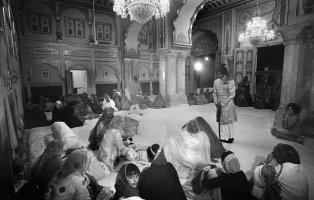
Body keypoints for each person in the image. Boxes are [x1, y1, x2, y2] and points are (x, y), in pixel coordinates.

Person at [213, 64, 237, 143]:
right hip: (219, 103)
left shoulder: (230, 81)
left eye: (220, 73)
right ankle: (222, 137)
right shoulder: (216, 81)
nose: (218, 75)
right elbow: (214, 93)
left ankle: (231, 137)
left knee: (229, 121)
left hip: (228, 104)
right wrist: (216, 102)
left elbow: (232, 95)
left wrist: (222, 104)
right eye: (217, 73)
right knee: (221, 121)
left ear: (224, 73)